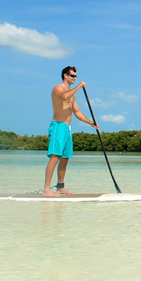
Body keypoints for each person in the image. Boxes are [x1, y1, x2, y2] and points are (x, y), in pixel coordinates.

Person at [42, 66, 98, 197]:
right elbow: (64, 96)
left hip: (67, 128)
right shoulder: (58, 89)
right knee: (55, 156)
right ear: (65, 76)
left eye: (76, 77)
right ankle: (46, 190)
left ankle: (60, 187)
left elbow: (77, 112)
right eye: (72, 76)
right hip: (57, 126)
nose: (74, 78)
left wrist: (91, 123)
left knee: (65, 158)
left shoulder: (72, 95)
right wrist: (79, 87)